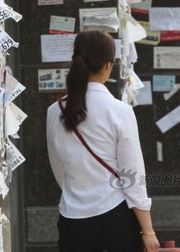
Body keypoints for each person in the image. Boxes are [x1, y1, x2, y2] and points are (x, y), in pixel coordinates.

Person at [46, 30, 160, 252]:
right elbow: (132, 176)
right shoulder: (120, 111)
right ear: (109, 65)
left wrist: (79, 190)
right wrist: (148, 231)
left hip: (73, 219)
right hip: (116, 217)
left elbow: (59, 169)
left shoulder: (54, 110)